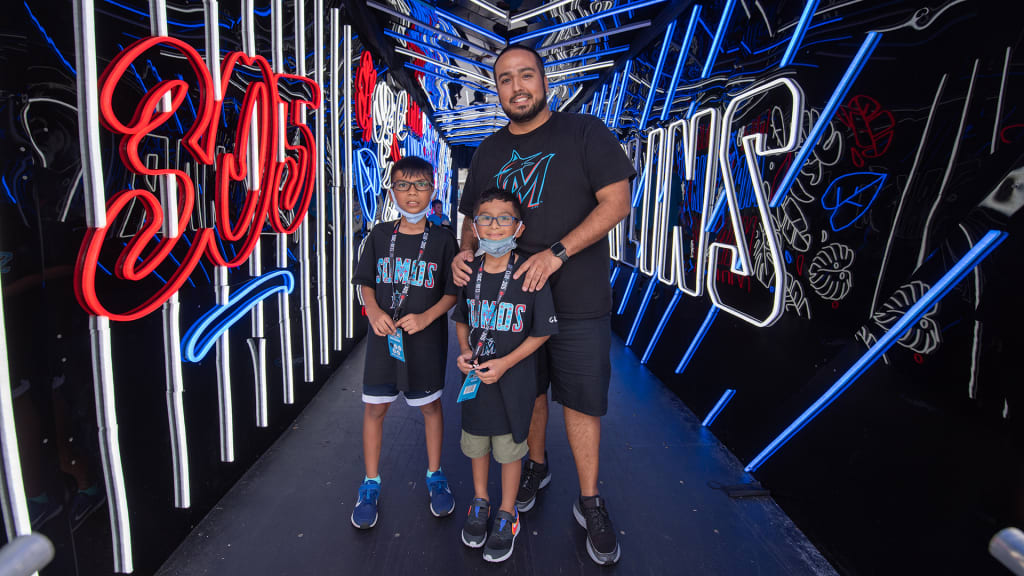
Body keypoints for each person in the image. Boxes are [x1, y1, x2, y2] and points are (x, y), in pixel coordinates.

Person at [452, 44, 635, 565]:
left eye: (526, 75)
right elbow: (472, 219)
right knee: (526, 394)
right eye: (505, 78)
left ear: (544, 81)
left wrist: (557, 253)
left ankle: (590, 500)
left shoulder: (584, 133)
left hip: (577, 300)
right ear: (498, 89)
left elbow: (617, 201)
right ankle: (536, 464)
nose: (516, 86)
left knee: (581, 400)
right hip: (507, 307)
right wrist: (465, 255)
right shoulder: (487, 151)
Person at [351, 155, 458, 529]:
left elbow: (453, 291)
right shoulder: (379, 235)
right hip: (384, 340)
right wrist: (374, 310)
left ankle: (435, 475)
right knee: (375, 409)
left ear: (433, 188)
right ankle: (370, 483)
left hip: (425, 342)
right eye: (403, 185)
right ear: (392, 190)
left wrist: (428, 317)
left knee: (430, 408)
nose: (412, 194)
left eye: (420, 185)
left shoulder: (445, 239)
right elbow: (364, 281)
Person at [452, 187, 558, 563]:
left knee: (511, 448)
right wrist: (465, 352)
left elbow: (542, 331)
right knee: (477, 443)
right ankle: (480, 502)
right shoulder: (469, 273)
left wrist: (507, 363)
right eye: (485, 218)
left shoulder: (530, 273)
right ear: (475, 225)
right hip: (477, 380)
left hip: (513, 382)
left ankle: (506, 512)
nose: (494, 226)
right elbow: (462, 319)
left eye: (504, 219)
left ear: (519, 227)